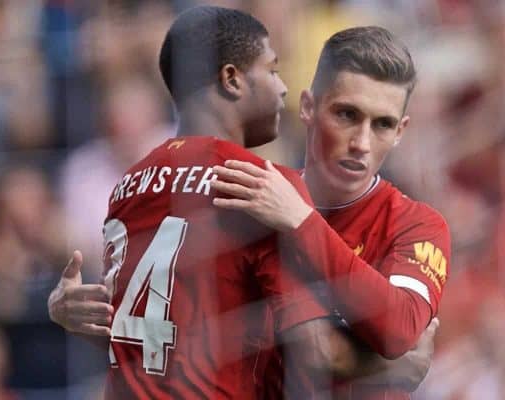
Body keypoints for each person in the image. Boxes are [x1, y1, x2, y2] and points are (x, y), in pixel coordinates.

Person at [48, 7, 437, 400]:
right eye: (272, 70)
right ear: (232, 79)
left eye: (382, 123)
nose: (282, 88)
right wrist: (392, 365)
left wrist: (71, 316)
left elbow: (148, 334)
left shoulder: (128, 186)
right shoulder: (260, 186)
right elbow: (316, 352)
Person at [211, 26, 450, 399]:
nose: (361, 143)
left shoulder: (417, 225)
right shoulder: (248, 207)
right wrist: (382, 364)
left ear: (401, 131)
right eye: (347, 115)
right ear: (308, 106)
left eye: (382, 124)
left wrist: (301, 222)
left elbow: (398, 329)